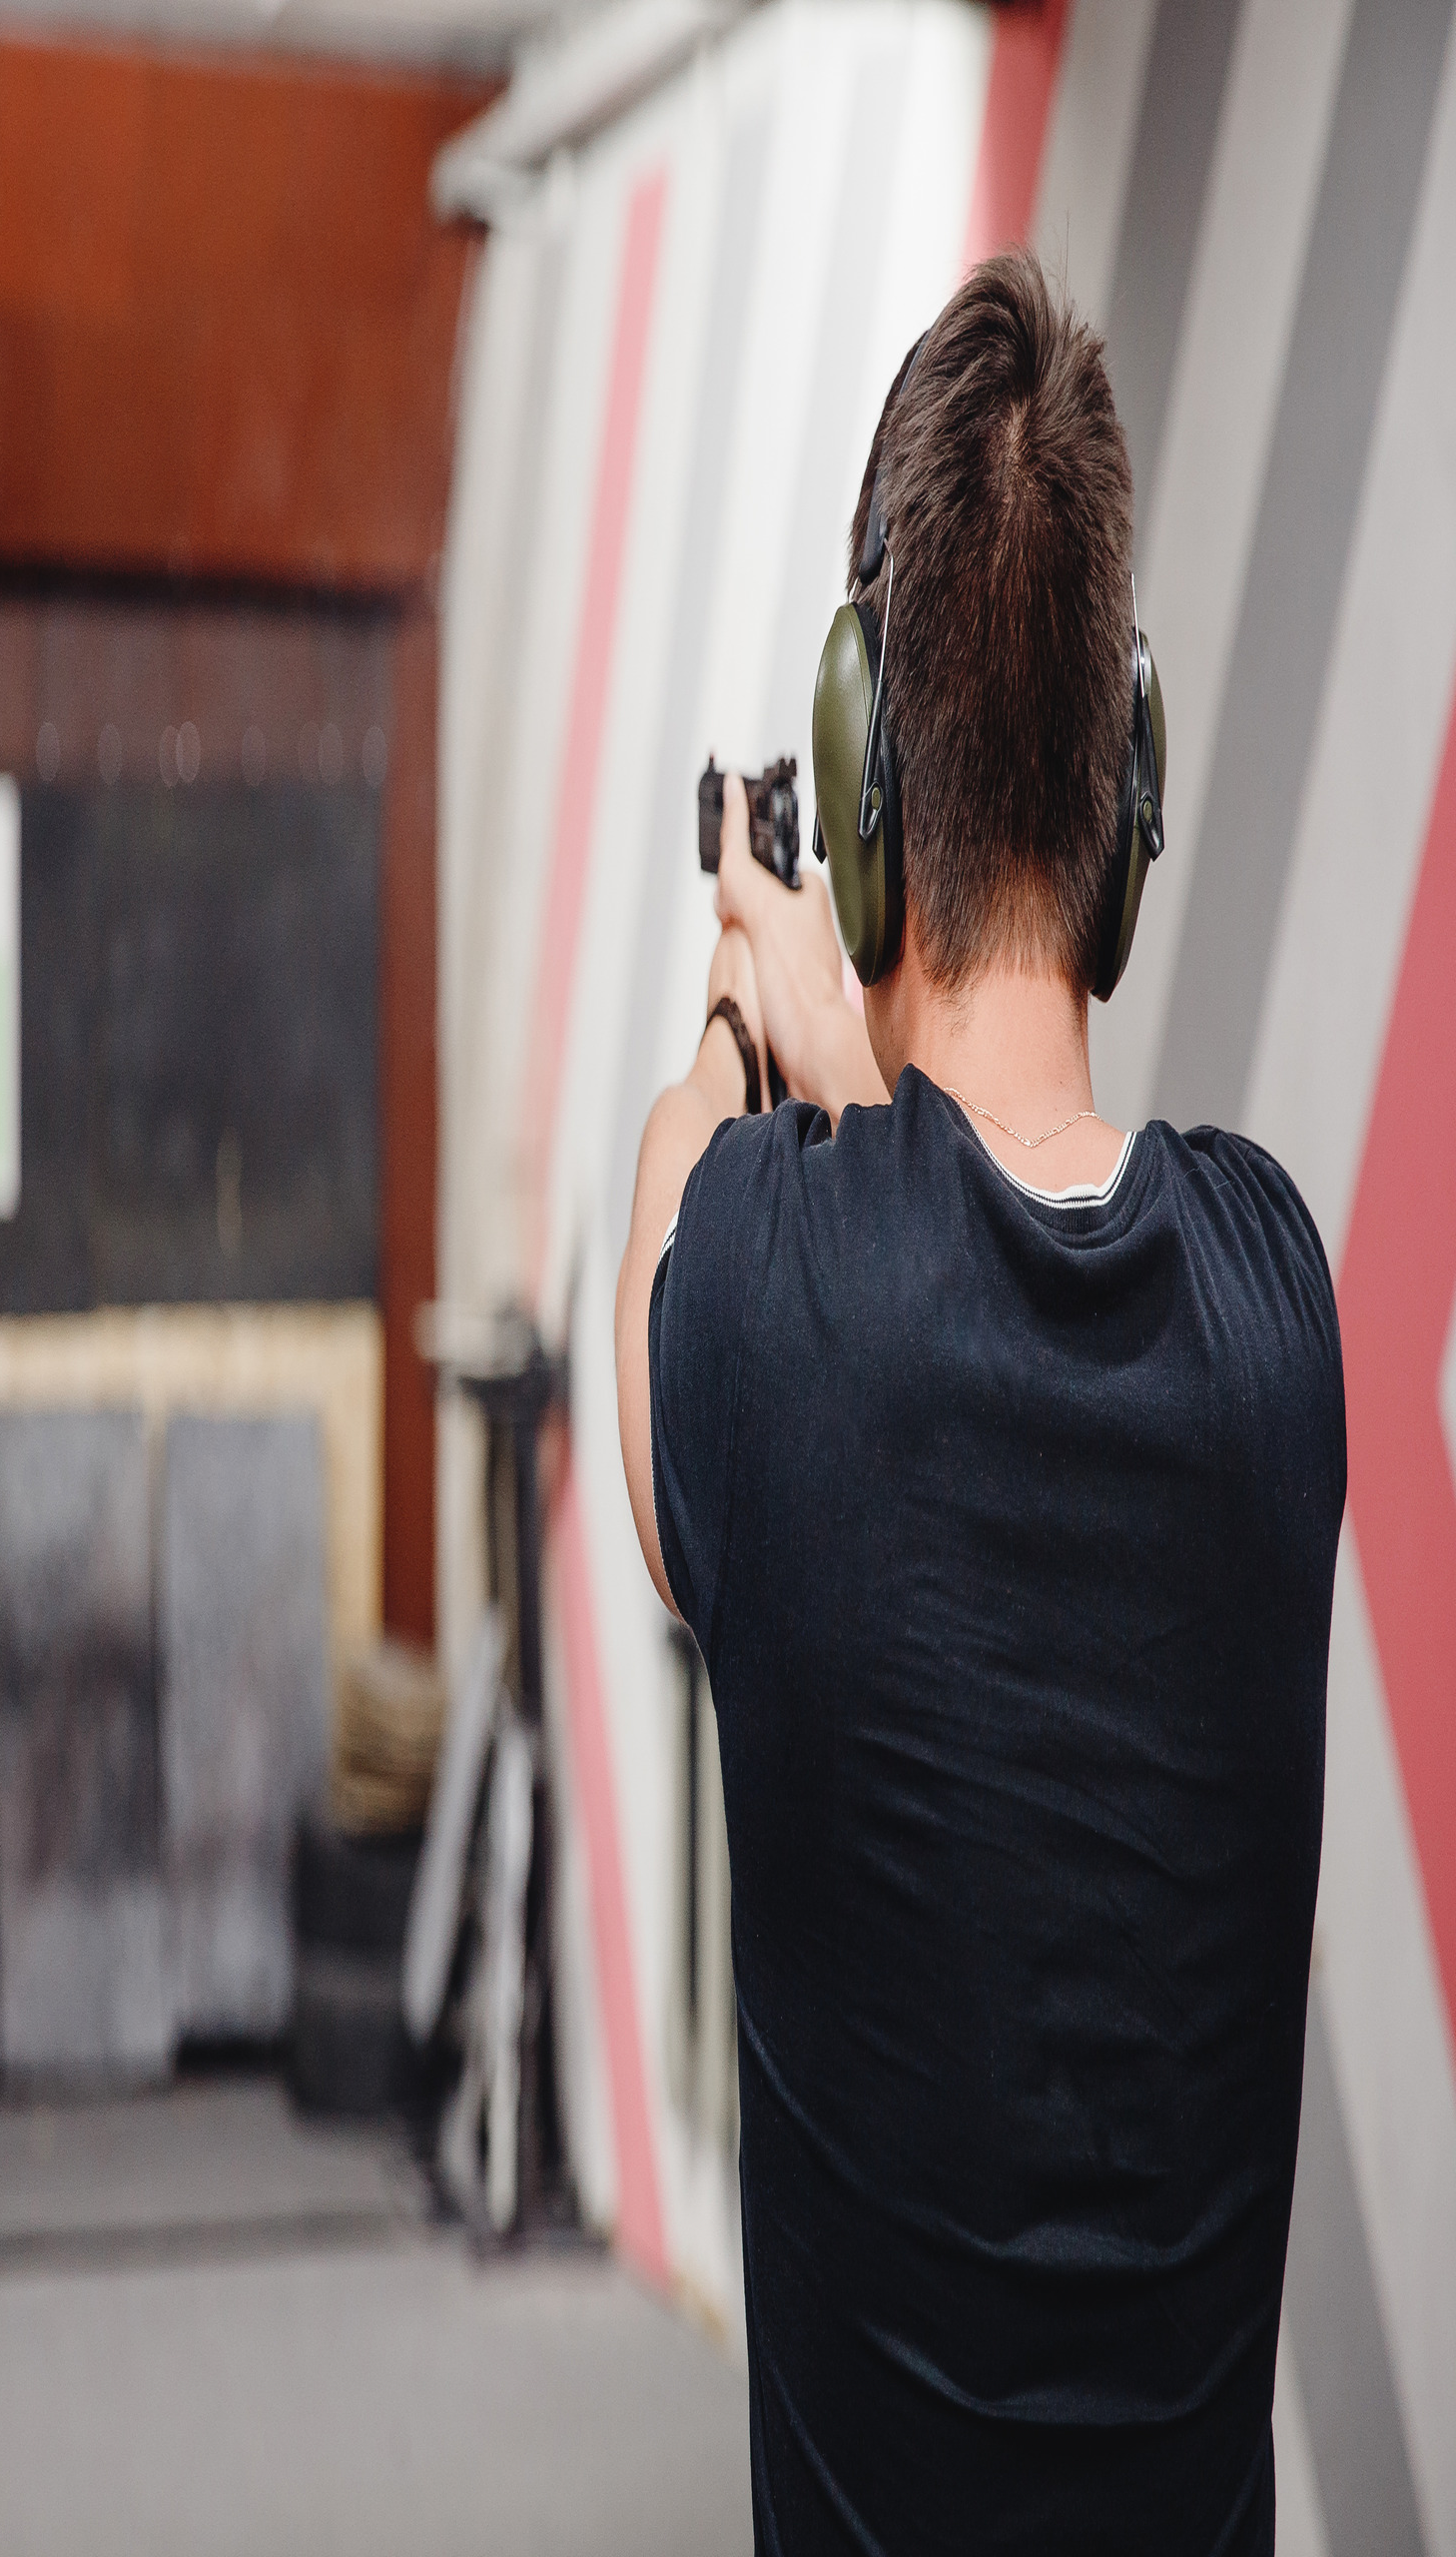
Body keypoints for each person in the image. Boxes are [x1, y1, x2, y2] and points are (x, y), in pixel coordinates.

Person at [614, 250, 1345, 2555]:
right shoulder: (1274, 1302)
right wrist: (859, 1055)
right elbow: (995, 1216)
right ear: (1128, 783)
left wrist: (761, 1009)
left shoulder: (748, 1304)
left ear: (861, 778)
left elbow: (681, 1215)